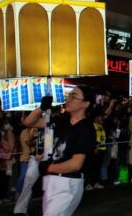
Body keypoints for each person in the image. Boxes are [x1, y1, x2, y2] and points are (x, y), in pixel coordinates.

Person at [23, 86, 96, 216]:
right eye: (69, 95)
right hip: (51, 181)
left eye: (74, 96)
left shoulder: (86, 129)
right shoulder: (61, 121)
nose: (68, 99)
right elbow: (29, 122)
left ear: (85, 104)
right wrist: (41, 108)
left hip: (68, 183)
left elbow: (76, 164)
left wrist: (49, 167)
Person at [13, 127, 44, 216]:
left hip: (44, 158)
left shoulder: (48, 129)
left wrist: (44, 154)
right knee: (26, 181)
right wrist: (31, 135)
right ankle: (20, 209)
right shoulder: (29, 131)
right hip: (32, 158)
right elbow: (29, 143)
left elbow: (49, 145)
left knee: (48, 183)